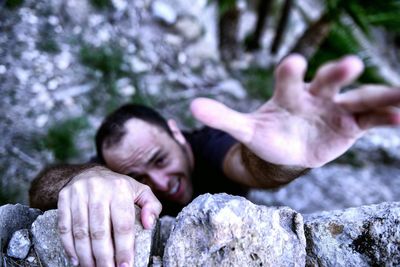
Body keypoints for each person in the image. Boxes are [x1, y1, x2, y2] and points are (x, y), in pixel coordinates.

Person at [29, 54, 400, 267]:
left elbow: (250, 165)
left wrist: (288, 159)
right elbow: (45, 185)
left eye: (160, 159)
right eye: (135, 175)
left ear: (176, 133)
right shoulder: (111, 169)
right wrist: (84, 179)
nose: (157, 182)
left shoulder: (207, 146)